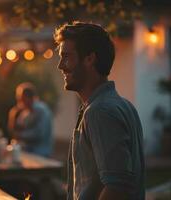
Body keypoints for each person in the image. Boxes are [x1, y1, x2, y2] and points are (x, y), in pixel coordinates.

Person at [54, 21, 145, 200]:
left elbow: (118, 187)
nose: (60, 66)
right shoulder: (121, 105)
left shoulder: (100, 111)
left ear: (90, 59)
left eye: (66, 56)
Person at [8, 82, 53, 157]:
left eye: (21, 99)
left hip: (40, 153)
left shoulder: (41, 110)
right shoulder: (27, 111)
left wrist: (20, 135)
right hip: (30, 152)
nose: (19, 102)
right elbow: (16, 128)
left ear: (28, 97)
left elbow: (39, 133)